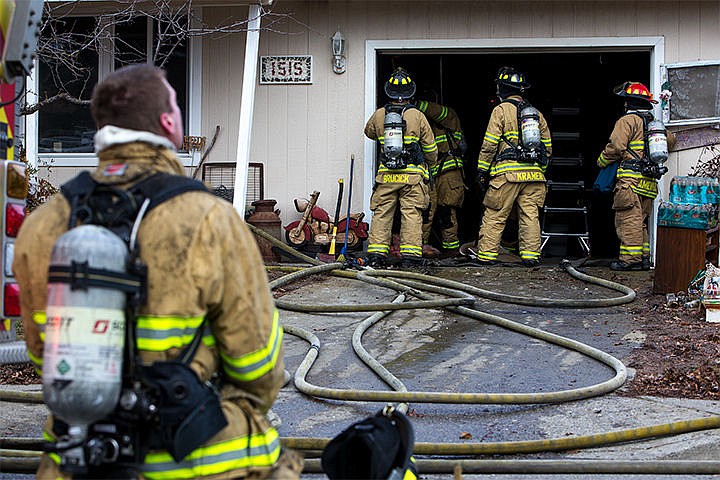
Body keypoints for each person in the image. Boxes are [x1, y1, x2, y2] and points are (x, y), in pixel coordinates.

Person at [13, 64, 301, 479]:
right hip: (198, 459)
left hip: (79, 458)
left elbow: (46, 355)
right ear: (169, 121)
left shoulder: (43, 225)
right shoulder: (208, 218)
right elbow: (258, 369)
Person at [474, 66, 552, 266]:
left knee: (495, 214)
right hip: (534, 176)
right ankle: (531, 257)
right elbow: (548, 149)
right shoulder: (536, 114)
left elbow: (490, 143)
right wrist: (538, 171)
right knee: (530, 216)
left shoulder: (500, 110)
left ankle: (487, 256)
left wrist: (482, 170)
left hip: (507, 175)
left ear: (501, 89)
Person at [597, 81, 676, 271]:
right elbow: (671, 142)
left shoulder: (627, 121)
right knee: (640, 222)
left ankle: (629, 259)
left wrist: (601, 160)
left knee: (628, 220)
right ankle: (644, 258)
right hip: (648, 182)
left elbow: (616, 146)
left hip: (630, 181)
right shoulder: (653, 125)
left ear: (628, 103)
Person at [364, 67, 438, 268]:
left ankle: (377, 256)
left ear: (389, 91)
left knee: (382, 213)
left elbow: (369, 132)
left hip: (386, 176)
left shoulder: (379, 115)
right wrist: (431, 165)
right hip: (412, 176)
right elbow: (430, 147)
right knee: (411, 213)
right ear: (410, 92)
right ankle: (410, 257)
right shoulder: (417, 115)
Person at [417, 96, 467, 258]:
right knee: (425, 212)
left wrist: (417, 104)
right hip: (428, 173)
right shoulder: (419, 122)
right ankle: (419, 247)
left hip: (448, 173)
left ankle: (451, 250)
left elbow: (438, 112)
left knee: (447, 213)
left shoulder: (449, 117)